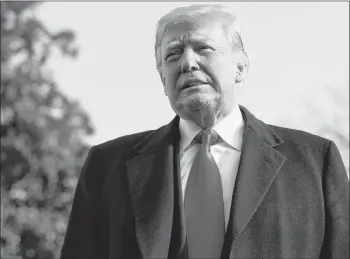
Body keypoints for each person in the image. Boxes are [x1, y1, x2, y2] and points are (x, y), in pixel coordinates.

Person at [60, 4, 349, 259]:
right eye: (172, 54)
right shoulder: (107, 165)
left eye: (204, 48)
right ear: (162, 78)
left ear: (240, 69)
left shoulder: (314, 161)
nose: (187, 63)